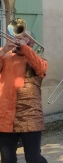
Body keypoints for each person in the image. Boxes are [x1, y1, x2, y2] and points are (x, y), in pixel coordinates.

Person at [0, 33, 48, 162]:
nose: (18, 39)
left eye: (23, 37)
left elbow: (41, 68)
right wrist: (4, 50)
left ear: (31, 43)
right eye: (17, 37)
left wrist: (25, 49)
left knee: (33, 159)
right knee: (7, 159)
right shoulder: (4, 55)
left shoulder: (36, 58)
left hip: (30, 116)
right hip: (6, 116)